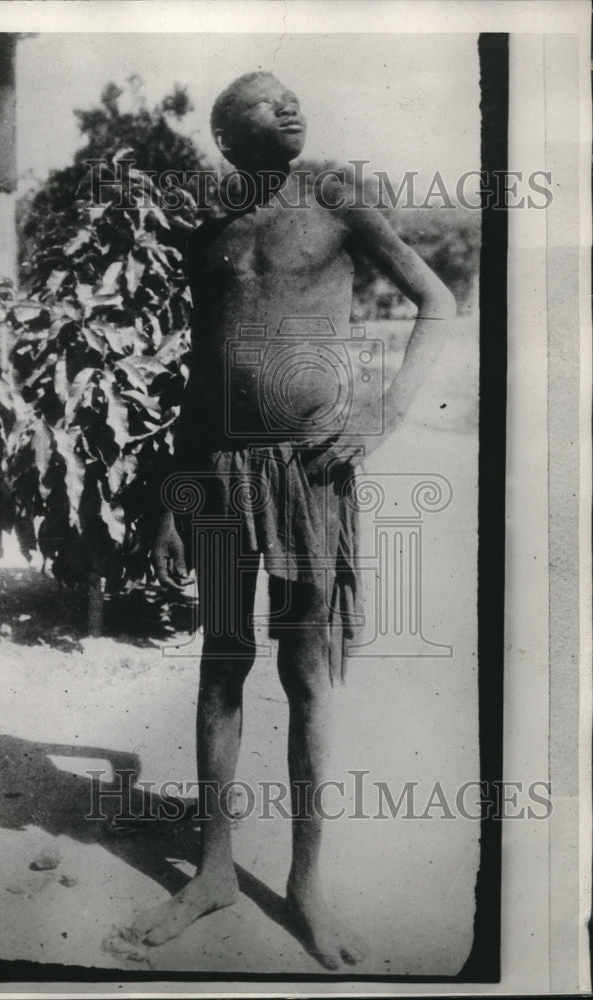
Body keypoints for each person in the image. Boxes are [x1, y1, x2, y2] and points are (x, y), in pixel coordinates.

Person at [133, 71, 457, 969]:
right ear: (228, 141)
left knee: (306, 673)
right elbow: (202, 376)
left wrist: (386, 412)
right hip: (222, 475)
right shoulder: (213, 227)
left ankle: (308, 885)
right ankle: (214, 870)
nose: (288, 107)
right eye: (260, 105)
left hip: (311, 468)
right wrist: (176, 496)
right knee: (220, 667)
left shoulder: (338, 196)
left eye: (291, 98)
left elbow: (438, 299)